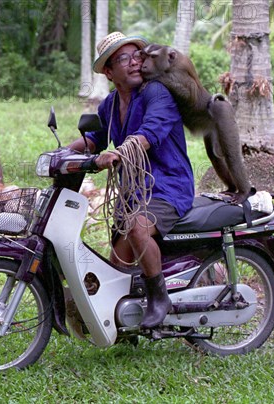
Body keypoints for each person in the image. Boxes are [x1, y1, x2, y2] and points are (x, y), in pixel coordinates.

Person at [69, 32, 194, 329]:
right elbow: (94, 140)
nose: (135, 62)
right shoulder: (110, 105)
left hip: (167, 186)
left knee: (138, 227)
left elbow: (150, 133)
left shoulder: (157, 94)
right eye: (124, 58)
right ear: (110, 72)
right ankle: (126, 323)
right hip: (134, 192)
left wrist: (118, 153)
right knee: (118, 267)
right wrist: (58, 154)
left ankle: (159, 297)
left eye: (137, 56)